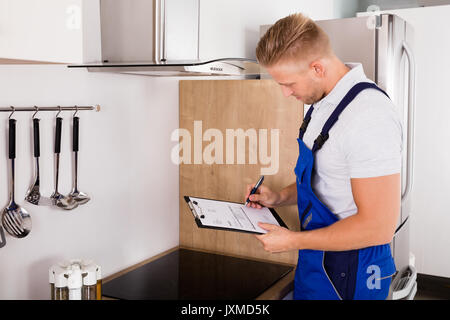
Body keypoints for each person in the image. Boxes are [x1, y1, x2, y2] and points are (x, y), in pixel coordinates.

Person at [245, 13, 402, 300]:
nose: (284, 93)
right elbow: (327, 181)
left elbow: (378, 228)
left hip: (352, 270)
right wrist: (278, 197)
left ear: (317, 68)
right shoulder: (323, 104)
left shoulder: (368, 116)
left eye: (288, 84)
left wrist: (292, 240)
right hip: (317, 259)